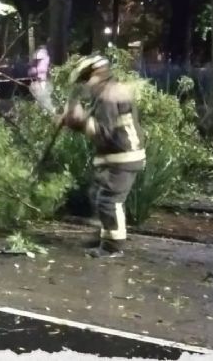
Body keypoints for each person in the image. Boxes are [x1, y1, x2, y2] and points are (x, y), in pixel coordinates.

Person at [57, 55, 146, 258]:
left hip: (123, 157)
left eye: (86, 80)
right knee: (98, 196)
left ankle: (112, 247)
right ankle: (104, 236)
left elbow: (104, 132)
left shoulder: (107, 96)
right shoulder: (107, 92)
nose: (85, 86)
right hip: (119, 156)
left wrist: (79, 120)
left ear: (96, 75)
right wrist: (76, 119)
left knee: (109, 201)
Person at [27, 44, 56, 114]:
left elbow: (38, 69)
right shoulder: (47, 55)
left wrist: (32, 71)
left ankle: (49, 112)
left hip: (42, 80)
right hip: (43, 80)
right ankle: (48, 112)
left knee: (44, 97)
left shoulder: (41, 54)